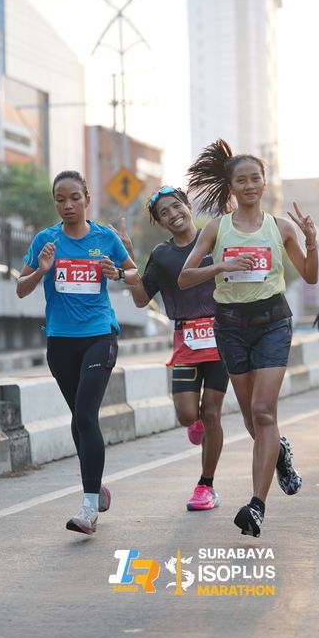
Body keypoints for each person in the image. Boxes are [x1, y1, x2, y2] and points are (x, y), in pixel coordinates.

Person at [177, 139, 318, 538]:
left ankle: (256, 506)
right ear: (232, 187)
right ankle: (280, 451)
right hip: (230, 326)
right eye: (242, 180)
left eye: (256, 178)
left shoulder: (280, 227)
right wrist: (220, 266)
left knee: (263, 411)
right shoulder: (216, 228)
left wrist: (310, 240)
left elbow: (310, 276)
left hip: (272, 322)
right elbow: (185, 278)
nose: (250, 185)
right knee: (252, 420)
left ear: (264, 182)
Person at [17, 170, 140, 536]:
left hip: (99, 336)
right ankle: (96, 486)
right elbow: (21, 288)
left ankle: (88, 508)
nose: (67, 205)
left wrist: (117, 273)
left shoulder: (105, 238)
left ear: (87, 198)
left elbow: (136, 276)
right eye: (60, 199)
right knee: (79, 419)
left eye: (74, 198)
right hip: (60, 342)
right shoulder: (46, 240)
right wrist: (40, 271)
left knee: (86, 414)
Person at [110, 187, 229, 511]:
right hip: (186, 342)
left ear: (188, 206)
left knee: (212, 412)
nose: (173, 214)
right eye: (165, 213)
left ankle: (206, 486)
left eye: (177, 206)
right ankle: (197, 423)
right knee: (187, 414)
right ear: (161, 223)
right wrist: (127, 258)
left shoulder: (214, 239)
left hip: (220, 338)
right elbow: (140, 299)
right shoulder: (162, 256)